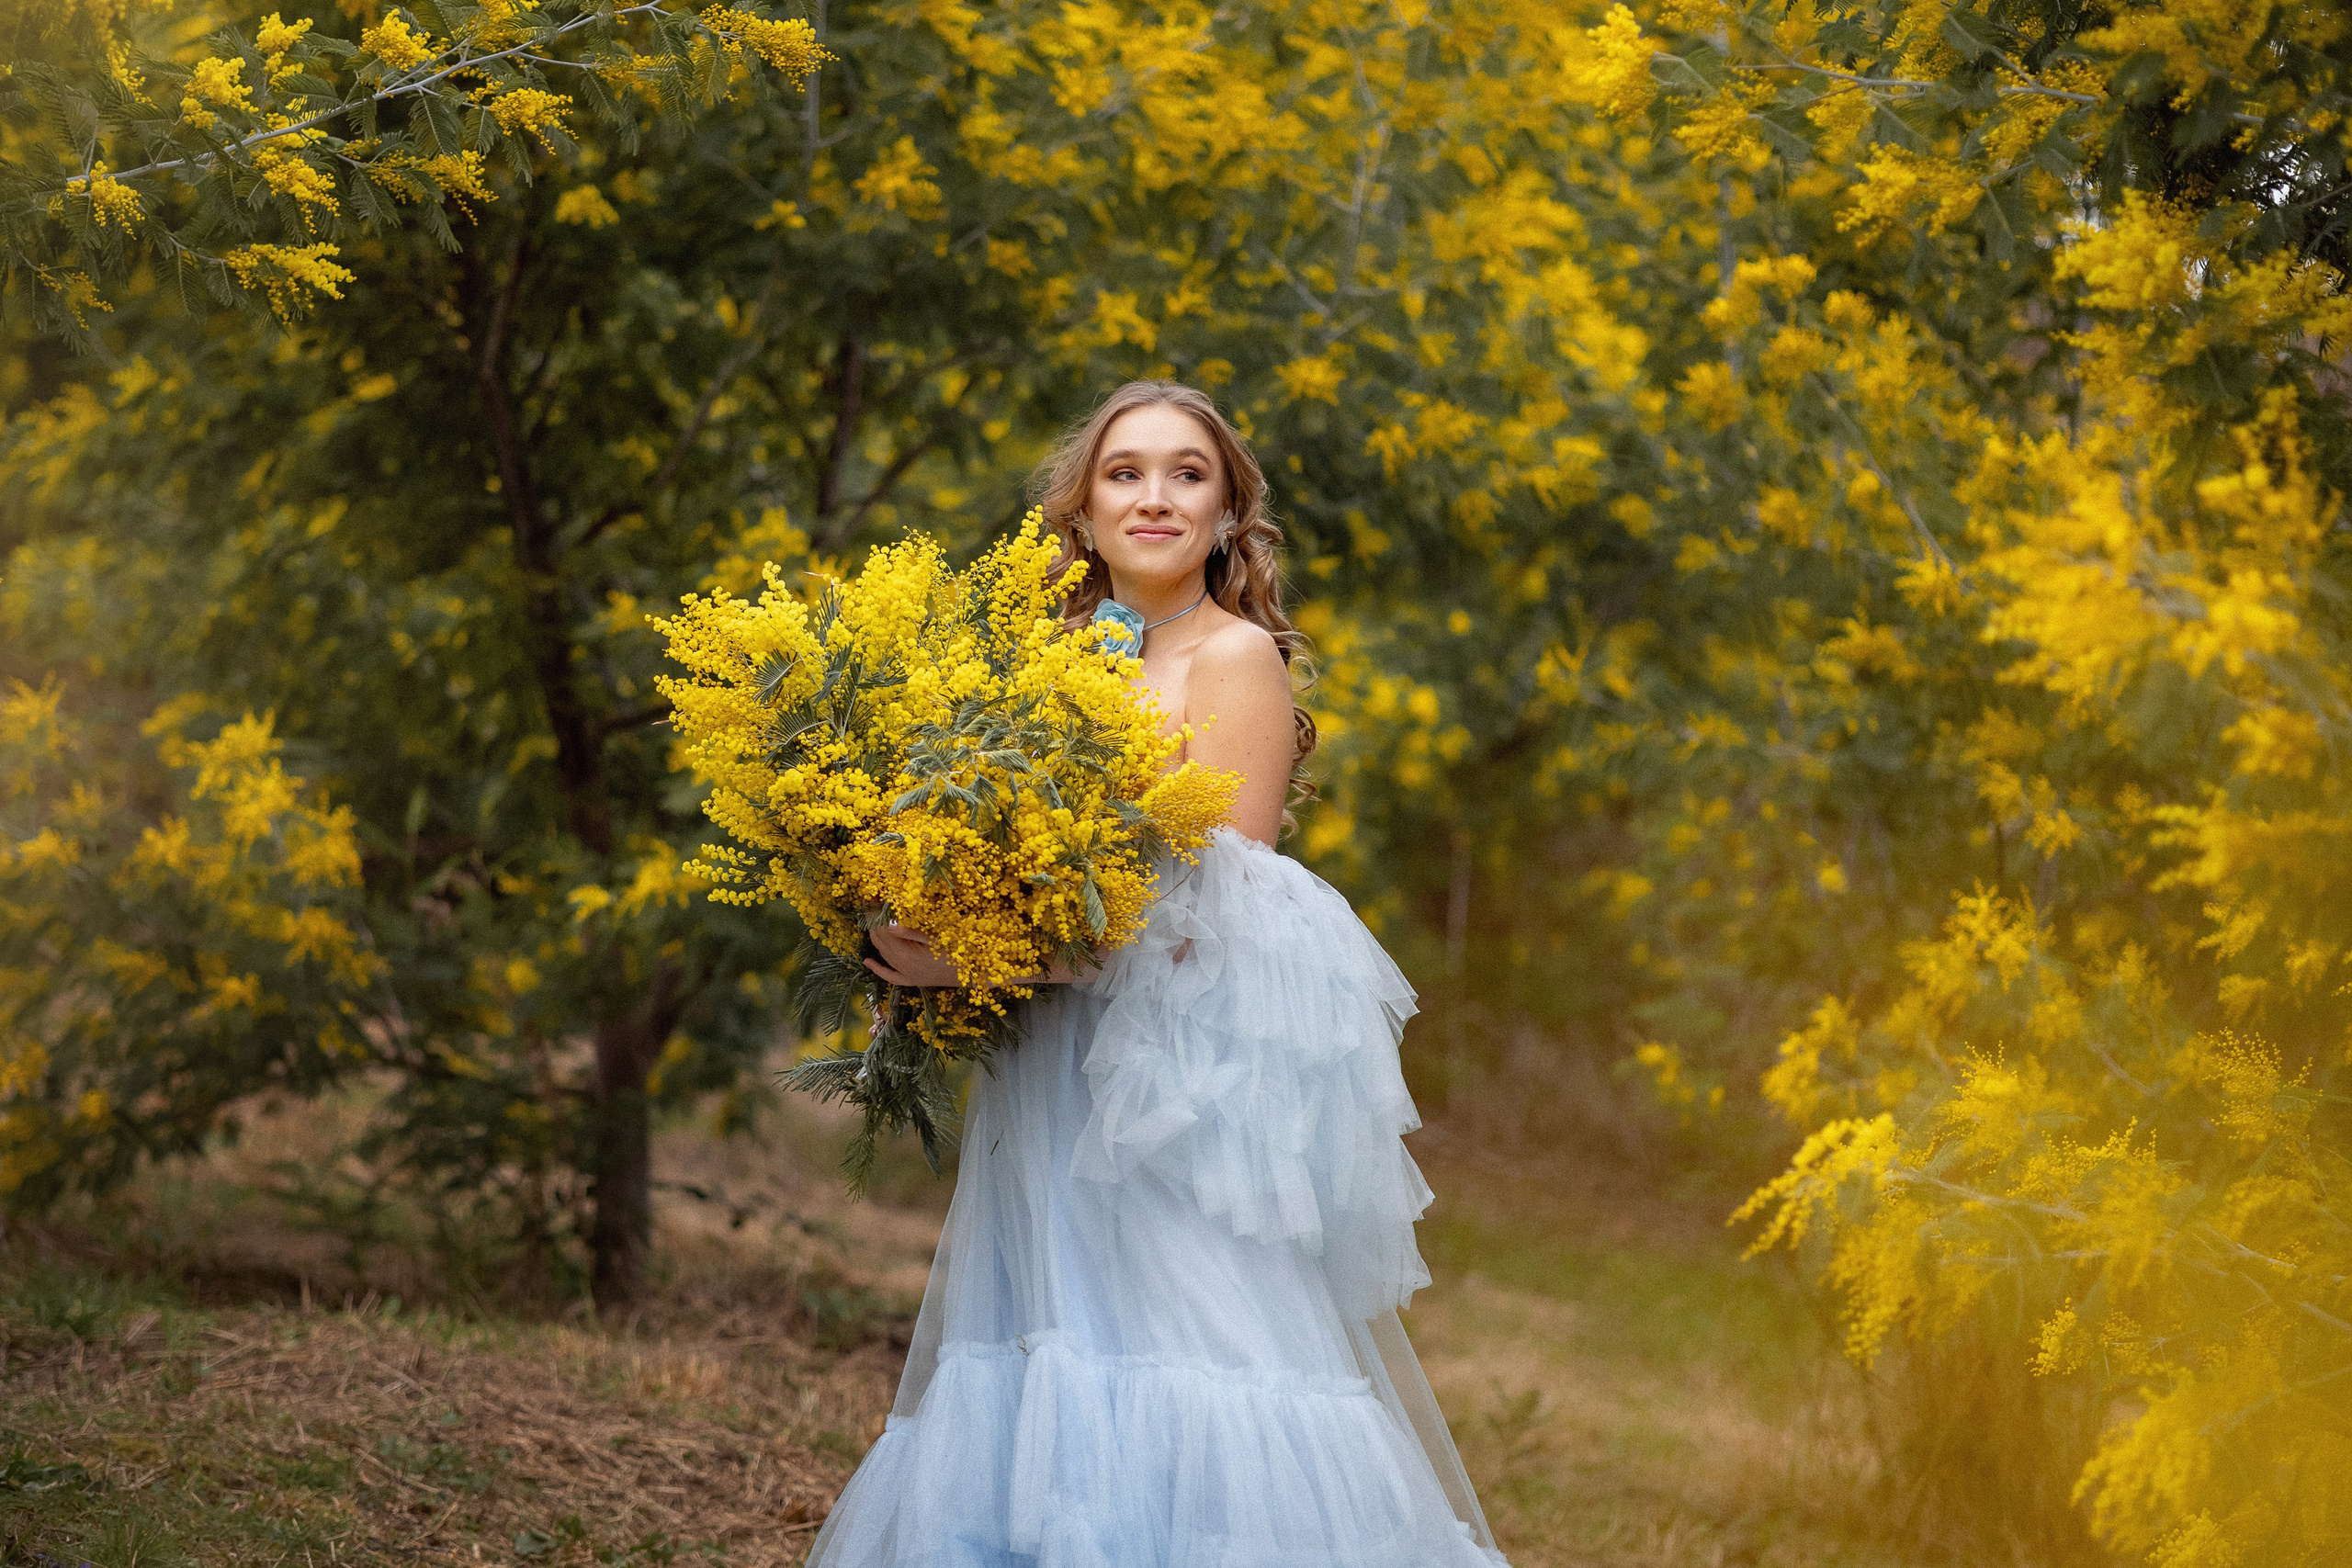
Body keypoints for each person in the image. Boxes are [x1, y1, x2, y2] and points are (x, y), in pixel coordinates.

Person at [804, 381, 1510, 1567]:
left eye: (1189, 474)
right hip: (1049, 1068)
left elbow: (1210, 919)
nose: (1155, 496)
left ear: (1230, 513)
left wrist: (981, 954)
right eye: (1125, 472)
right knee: (1051, 1338)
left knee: (1198, 1337)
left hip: (1167, 1077)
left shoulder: (1233, 661)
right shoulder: (1034, 658)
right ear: (1079, 512)